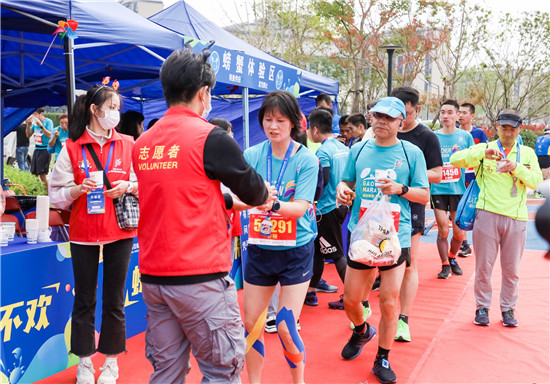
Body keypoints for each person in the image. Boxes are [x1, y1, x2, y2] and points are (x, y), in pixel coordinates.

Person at [133, 49, 272, 383]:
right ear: (203, 93)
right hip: (200, 277)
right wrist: (262, 194)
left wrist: (223, 199)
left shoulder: (144, 143)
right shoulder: (210, 137)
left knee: (166, 371)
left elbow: (177, 192)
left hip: (154, 277)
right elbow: (255, 192)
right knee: (221, 371)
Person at [336, 96, 429, 384]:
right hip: (363, 234)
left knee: (389, 302)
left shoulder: (411, 152)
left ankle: (382, 357)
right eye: (377, 116)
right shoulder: (359, 148)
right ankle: (362, 330)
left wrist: (401, 188)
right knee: (352, 300)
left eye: (389, 118)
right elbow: (346, 181)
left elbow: (423, 195)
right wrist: (342, 190)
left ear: (402, 121)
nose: (381, 122)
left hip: (395, 236)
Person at [49, 83, 137, 384]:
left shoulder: (128, 143)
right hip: (84, 232)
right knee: (84, 299)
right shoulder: (72, 148)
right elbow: (56, 194)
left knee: (114, 299)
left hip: (120, 232)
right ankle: (84, 362)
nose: (115, 114)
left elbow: (144, 182)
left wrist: (128, 186)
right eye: (111, 108)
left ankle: (111, 362)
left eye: (117, 109)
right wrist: (77, 188)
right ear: (94, 110)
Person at [242, 90, 319, 384]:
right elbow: (239, 195)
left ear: (294, 123)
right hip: (261, 248)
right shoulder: (251, 155)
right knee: (251, 325)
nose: (273, 126)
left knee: (286, 326)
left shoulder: (306, 160)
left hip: (295, 250)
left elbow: (300, 207)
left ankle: (298, 381)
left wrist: (271, 203)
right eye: (268, 119)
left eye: (280, 120)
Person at [450, 109, 542, 327]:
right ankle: (482, 307)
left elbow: (537, 182)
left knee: (511, 270)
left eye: (512, 129)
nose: (508, 133)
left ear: (519, 129)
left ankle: (508, 309)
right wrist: (482, 154)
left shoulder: (527, 153)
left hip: (516, 218)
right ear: (496, 128)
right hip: (487, 215)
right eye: (504, 128)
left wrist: (517, 168)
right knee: (484, 266)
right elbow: (455, 160)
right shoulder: (485, 148)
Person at [391, 86, 443, 342]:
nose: (399, 120)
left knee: (408, 264)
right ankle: (364, 308)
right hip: (378, 208)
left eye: (406, 114)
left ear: (416, 110)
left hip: (411, 206)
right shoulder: (376, 133)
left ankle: (403, 320)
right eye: (394, 114)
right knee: (373, 264)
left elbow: (438, 173)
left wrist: (411, 179)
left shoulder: (426, 137)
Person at [304, 107, 349, 306]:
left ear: (314, 130)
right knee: (318, 249)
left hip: (325, 209)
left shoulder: (323, 151)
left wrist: (310, 200)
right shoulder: (343, 147)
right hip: (341, 205)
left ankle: (354, 297)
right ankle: (311, 291)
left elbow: (324, 179)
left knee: (336, 252)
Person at [431, 99, 474, 279]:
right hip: (438, 189)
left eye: (450, 112)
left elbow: (474, 161)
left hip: (458, 190)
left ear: (458, 115)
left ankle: (452, 258)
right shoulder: (433, 136)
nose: (446, 116)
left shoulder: (465, 137)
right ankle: (444, 265)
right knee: (443, 230)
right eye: (443, 112)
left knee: (458, 232)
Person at [458, 103, 488, 257]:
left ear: (472, 116)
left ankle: (481, 242)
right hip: (457, 178)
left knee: (475, 210)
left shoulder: (479, 133)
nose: (461, 115)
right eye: (459, 112)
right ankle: (464, 243)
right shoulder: (454, 134)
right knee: (460, 209)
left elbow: (484, 153)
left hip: (474, 178)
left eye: (464, 112)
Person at [26, 108, 53, 188]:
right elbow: (28, 135)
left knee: (42, 174)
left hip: (45, 150)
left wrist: (41, 125)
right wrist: (28, 125)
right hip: (37, 149)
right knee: (34, 174)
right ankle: (40, 191)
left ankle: (48, 194)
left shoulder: (48, 122)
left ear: (41, 114)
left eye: (36, 114)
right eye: (33, 115)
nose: (34, 116)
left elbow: (49, 135)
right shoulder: (34, 123)